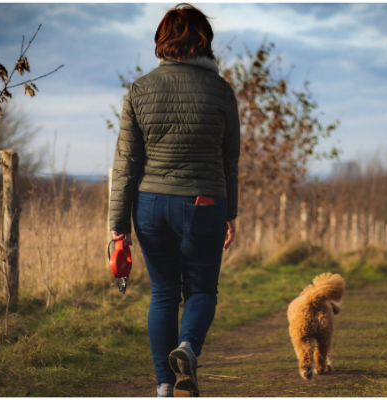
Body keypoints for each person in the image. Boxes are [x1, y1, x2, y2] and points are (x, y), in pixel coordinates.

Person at [108, 3, 240, 397]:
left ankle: (164, 386)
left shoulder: (140, 89)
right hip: (203, 204)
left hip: (150, 205)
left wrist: (118, 226)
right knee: (200, 291)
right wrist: (230, 212)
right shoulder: (221, 91)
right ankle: (187, 349)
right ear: (204, 42)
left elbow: (127, 161)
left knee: (163, 293)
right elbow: (229, 157)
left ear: (163, 42)